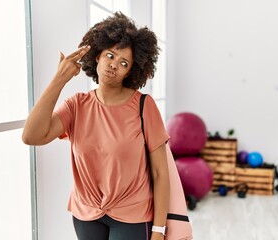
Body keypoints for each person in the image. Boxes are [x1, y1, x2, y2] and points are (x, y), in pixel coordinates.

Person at [22, 12, 170, 240]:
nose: (114, 65)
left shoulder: (144, 106)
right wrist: (59, 79)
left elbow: (160, 173)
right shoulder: (77, 105)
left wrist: (159, 230)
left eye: (123, 63)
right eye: (109, 55)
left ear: (131, 70)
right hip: (86, 215)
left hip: (133, 216)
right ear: (97, 56)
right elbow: (31, 136)